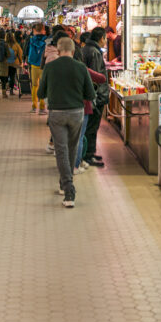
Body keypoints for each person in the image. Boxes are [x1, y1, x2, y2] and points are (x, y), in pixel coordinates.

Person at [38, 37, 95, 208]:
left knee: (61, 150)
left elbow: (41, 93)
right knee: (72, 148)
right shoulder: (81, 67)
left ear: (58, 50)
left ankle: (68, 188)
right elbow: (90, 94)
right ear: (72, 50)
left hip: (57, 113)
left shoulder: (50, 67)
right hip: (76, 113)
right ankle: (66, 184)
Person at [82, 27, 109, 167]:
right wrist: (98, 97)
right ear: (101, 38)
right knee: (91, 128)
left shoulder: (87, 49)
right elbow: (97, 77)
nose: (106, 41)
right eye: (105, 38)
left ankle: (90, 152)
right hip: (95, 98)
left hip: (91, 97)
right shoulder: (94, 52)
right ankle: (87, 155)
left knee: (90, 127)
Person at [28, 22, 47, 114]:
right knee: (43, 85)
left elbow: (29, 52)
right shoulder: (47, 40)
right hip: (44, 64)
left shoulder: (31, 40)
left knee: (35, 86)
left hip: (34, 64)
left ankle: (34, 106)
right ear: (43, 30)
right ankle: (42, 107)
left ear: (35, 30)